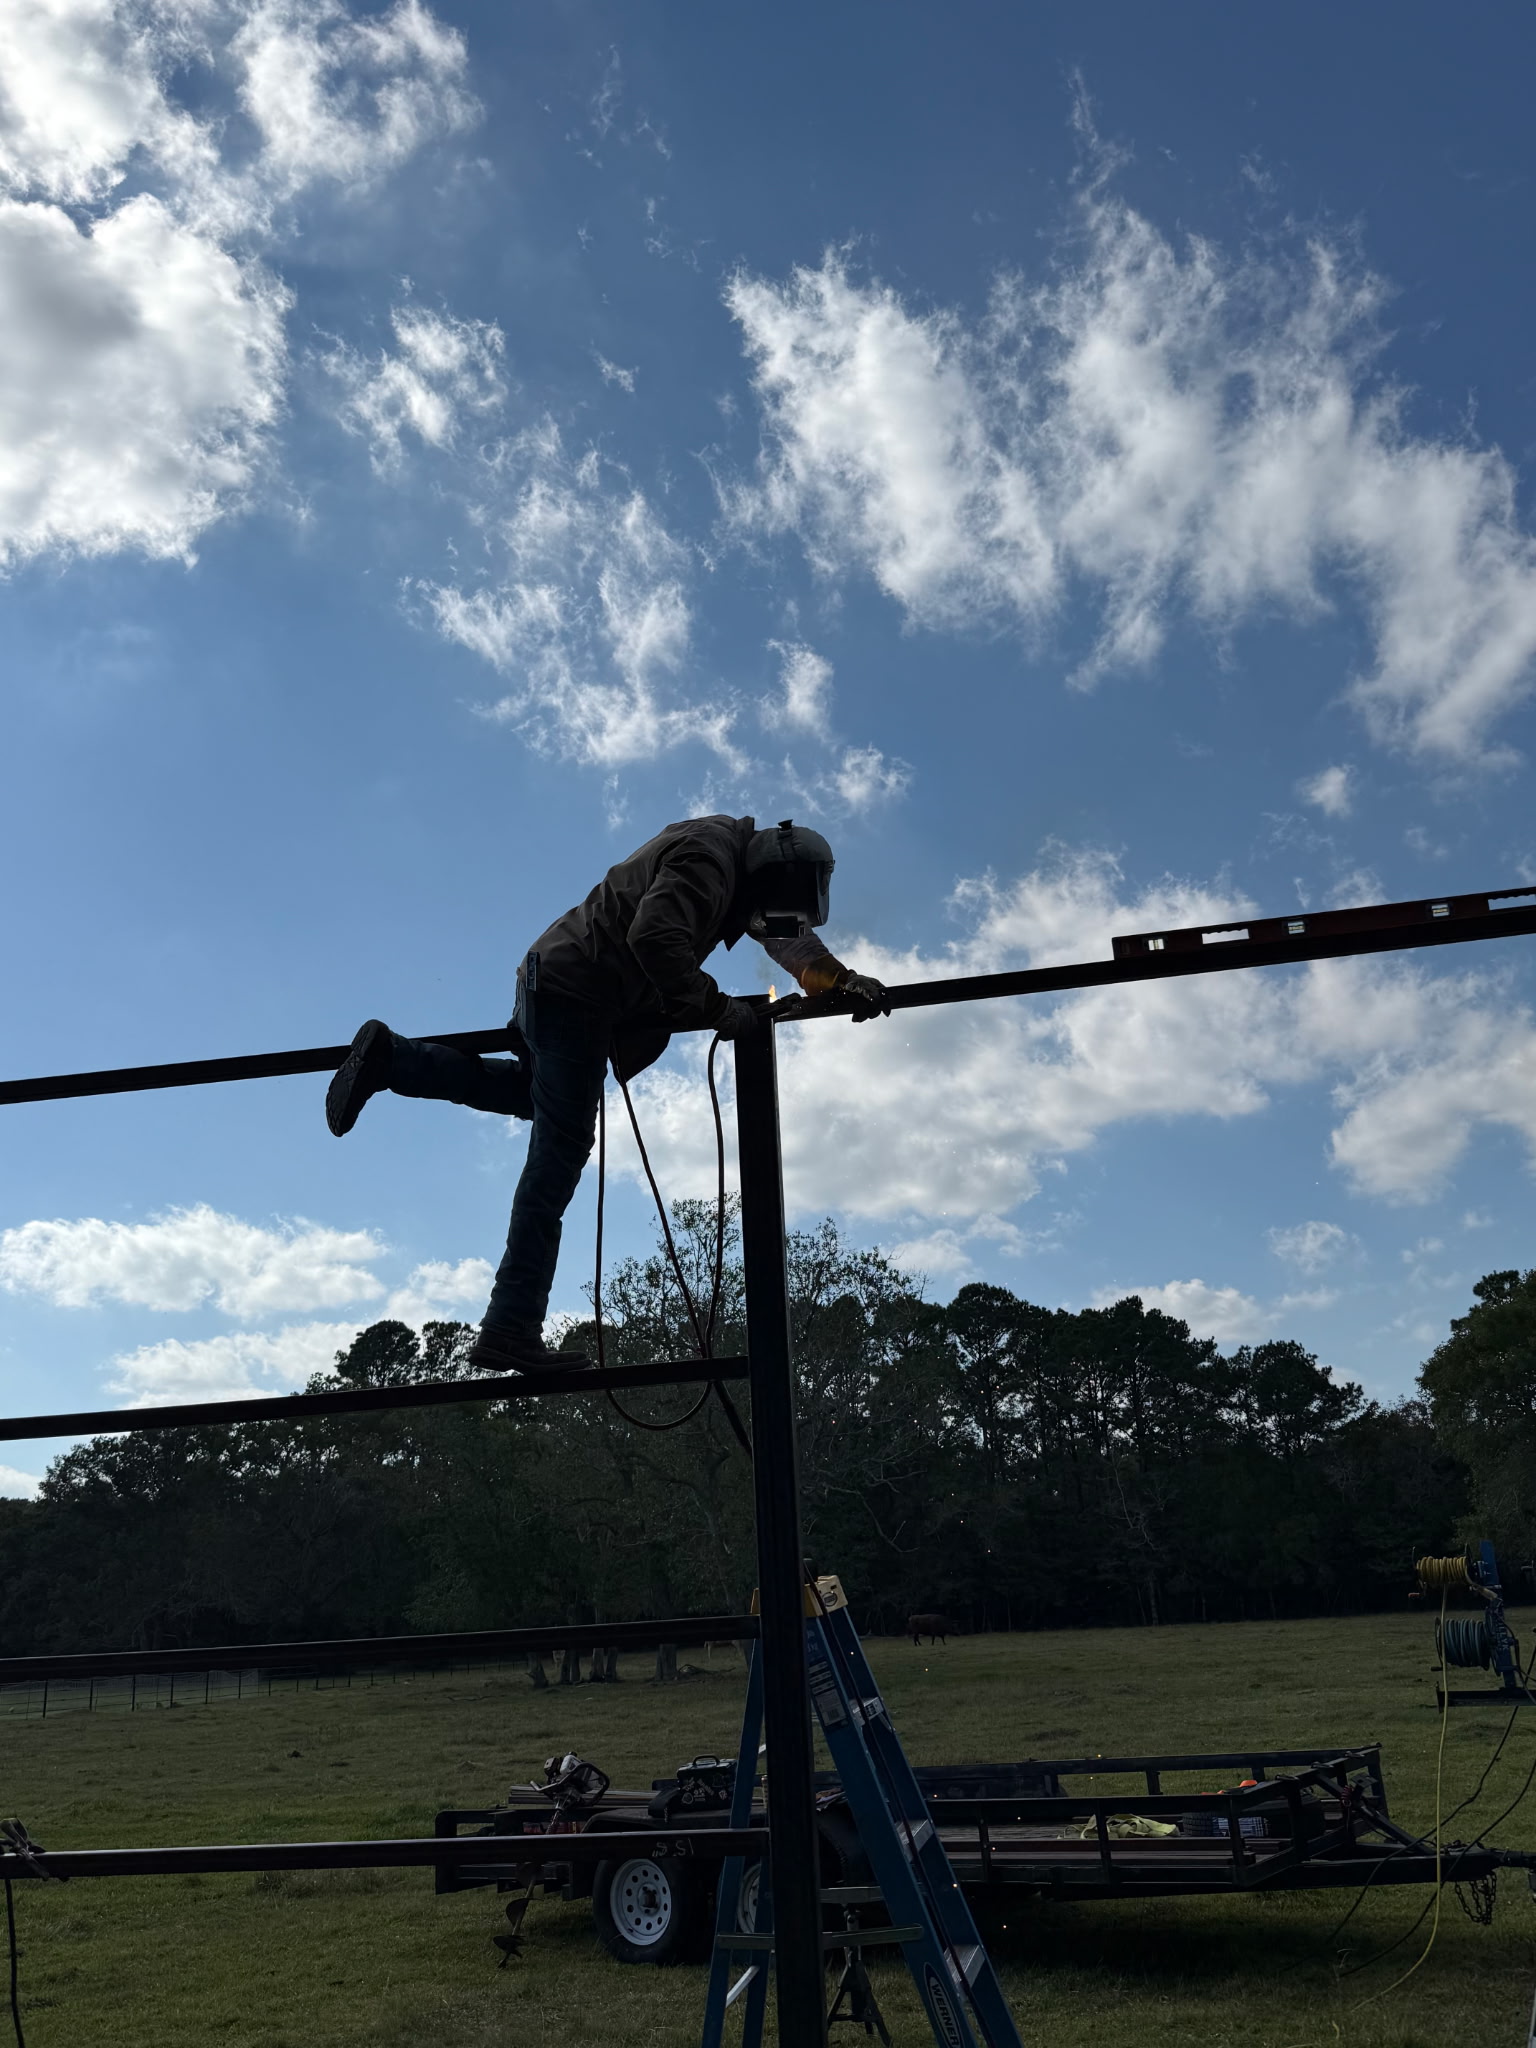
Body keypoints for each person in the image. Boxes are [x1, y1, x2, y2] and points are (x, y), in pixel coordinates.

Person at [325, 815, 891, 1373]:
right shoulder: (711, 861)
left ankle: (392, 1059)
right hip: (577, 994)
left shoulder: (730, 861)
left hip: (555, 982)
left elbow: (789, 940)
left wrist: (842, 981)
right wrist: (722, 1011)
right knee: (558, 1156)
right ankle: (509, 1328)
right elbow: (655, 937)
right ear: (769, 878)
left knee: (534, 1097)